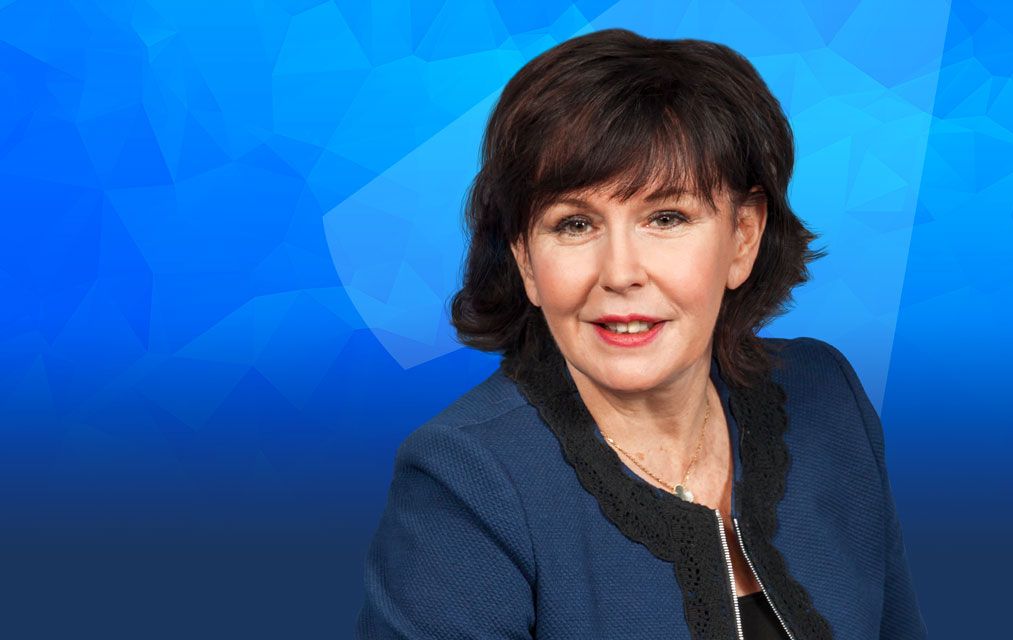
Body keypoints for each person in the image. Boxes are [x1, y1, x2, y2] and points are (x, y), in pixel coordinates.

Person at [356, 28, 927, 640]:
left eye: (666, 217)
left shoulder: (824, 396)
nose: (620, 273)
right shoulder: (465, 484)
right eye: (575, 224)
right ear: (526, 259)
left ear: (743, 237)